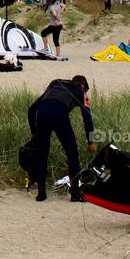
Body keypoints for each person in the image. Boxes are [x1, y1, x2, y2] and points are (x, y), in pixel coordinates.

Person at [28, 74, 96, 203]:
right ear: (83, 86)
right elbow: (87, 118)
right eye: (86, 90)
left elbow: (31, 109)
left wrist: (33, 132)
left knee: (42, 153)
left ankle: (41, 193)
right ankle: (75, 194)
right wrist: (90, 141)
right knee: (72, 154)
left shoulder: (56, 84)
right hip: (59, 114)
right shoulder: (80, 91)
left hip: (42, 113)